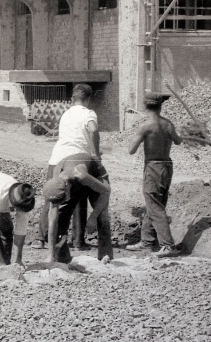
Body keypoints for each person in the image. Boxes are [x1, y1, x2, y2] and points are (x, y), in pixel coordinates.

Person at [33, 83, 102, 250]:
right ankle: (78, 241)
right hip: (76, 159)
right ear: (88, 99)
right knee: (79, 198)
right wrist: (95, 153)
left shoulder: (66, 113)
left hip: (56, 158)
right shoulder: (89, 113)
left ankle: (41, 238)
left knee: (53, 196)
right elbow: (93, 129)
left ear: (73, 99)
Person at [125, 92, 183, 258]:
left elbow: (131, 150)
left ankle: (167, 245)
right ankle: (147, 241)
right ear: (160, 106)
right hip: (167, 165)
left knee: (155, 206)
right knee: (156, 204)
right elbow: (178, 141)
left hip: (153, 167)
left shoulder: (146, 126)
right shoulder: (168, 124)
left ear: (145, 106)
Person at [43, 154, 111, 263]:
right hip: (73, 180)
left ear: (67, 188)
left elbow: (106, 192)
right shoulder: (55, 184)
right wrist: (50, 255)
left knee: (102, 215)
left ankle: (106, 256)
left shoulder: (80, 175)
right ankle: (62, 259)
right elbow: (52, 221)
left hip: (94, 175)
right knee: (59, 219)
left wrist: (93, 216)